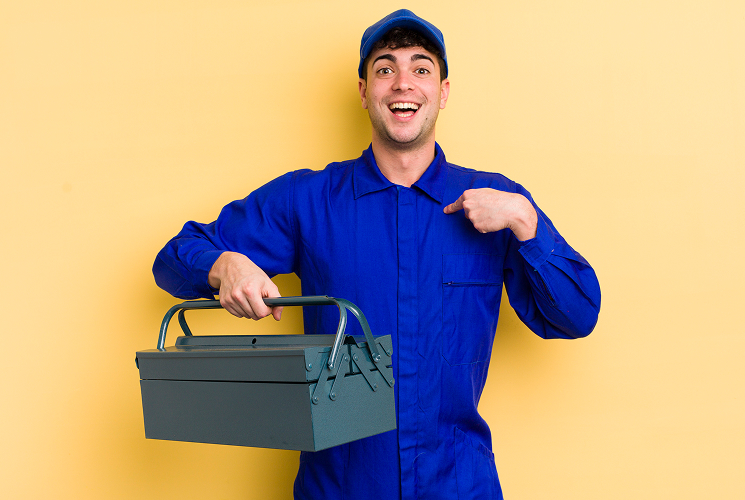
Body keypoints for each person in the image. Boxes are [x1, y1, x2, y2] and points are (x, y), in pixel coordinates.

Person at [153, 9, 600, 500]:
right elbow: (174, 256)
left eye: (421, 68)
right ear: (364, 91)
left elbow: (576, 315)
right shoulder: (309, 200)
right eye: (385, 69)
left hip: (459, 485)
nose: (403, 83)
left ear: (444, 92)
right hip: (340, 488)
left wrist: (527, 223)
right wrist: (222, 265)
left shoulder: (497, 203)